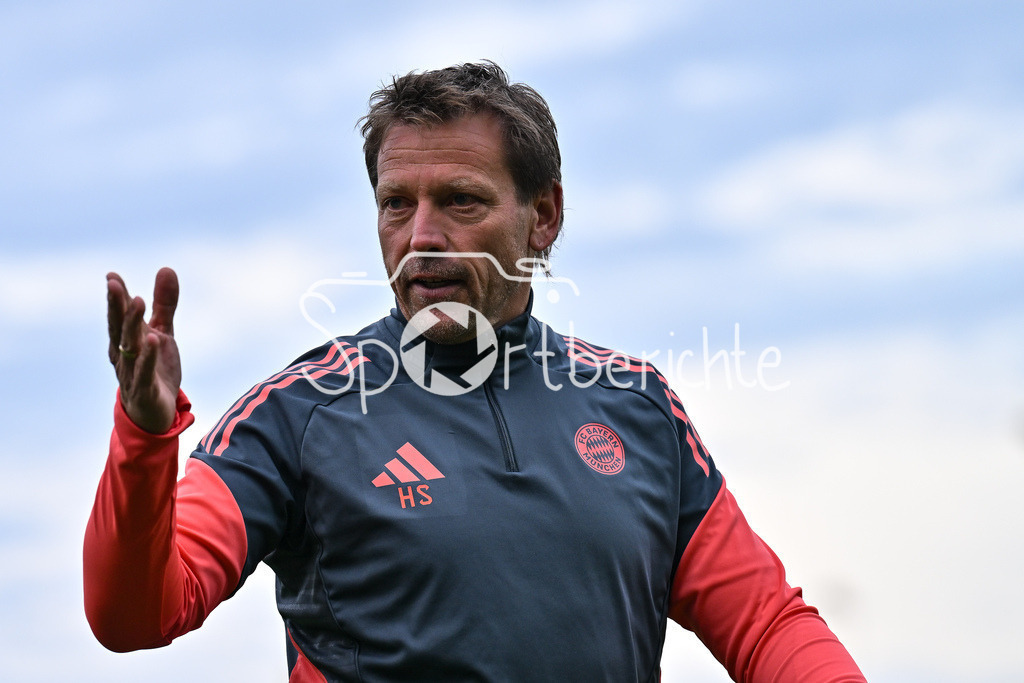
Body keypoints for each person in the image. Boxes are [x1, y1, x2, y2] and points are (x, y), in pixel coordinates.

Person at [85, 61, 866, 682]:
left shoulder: (637, 408)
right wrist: (145, 439)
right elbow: (134, 615)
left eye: (460, 201)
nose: (422, 235)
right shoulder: (299, 413)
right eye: (397, 204)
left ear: (544, 215)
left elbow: (764, 623)